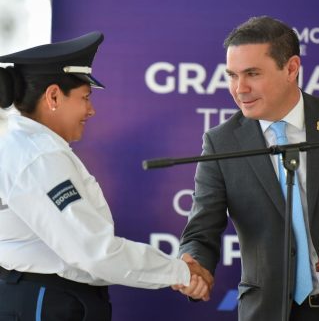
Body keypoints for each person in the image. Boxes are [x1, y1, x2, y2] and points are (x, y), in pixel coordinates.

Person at [178, 16, 319, 321]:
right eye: (232, 75)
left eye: (252, 74)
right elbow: (201, 231)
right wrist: (195, 265)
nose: (239, 88)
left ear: (291, 68)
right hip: (267, 312)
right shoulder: (222, 143)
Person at [0, 32, 212, 321]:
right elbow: (94, 252)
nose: (91, 110)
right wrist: (179, 271)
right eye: (85, 97)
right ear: (53, 96)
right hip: (47, 301)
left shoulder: (29, 146)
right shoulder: (40, 157)